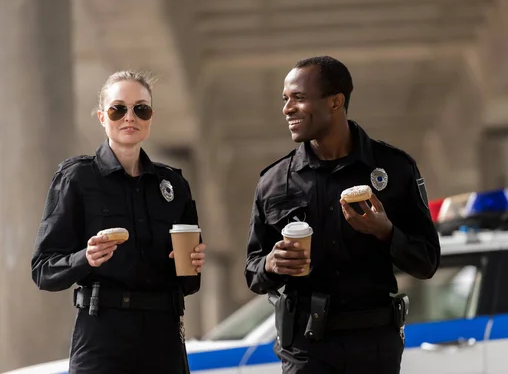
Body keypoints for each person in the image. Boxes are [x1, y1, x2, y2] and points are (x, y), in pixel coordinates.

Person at [245, 56, 440, 374]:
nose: (287, 109)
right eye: (285, 99)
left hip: (374, 346)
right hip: (305, 348)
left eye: (299, 98)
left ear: (335, 101)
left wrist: (386, 232)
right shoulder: (274, 181)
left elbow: (427, 262)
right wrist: (271, 264)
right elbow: (253, 272)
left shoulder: (395, 168)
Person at [31, 70, 206, 374]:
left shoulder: (174, 184)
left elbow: (189, 284)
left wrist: (192, 262)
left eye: (141, 108)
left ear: (151, 117)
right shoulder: (77, 178)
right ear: (101, 116)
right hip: (103, 334)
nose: (130, 117)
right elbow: (43, 270)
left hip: (162, 335)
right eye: (118, 109)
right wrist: (85, 257)